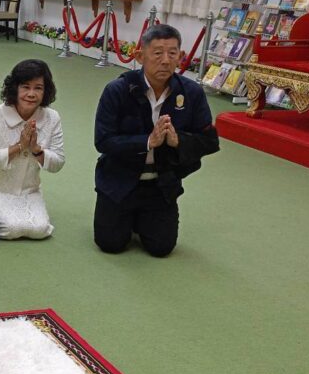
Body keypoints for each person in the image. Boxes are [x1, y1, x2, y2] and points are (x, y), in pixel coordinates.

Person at [93, 24, 219, 257]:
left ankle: (143, 219)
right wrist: (147, 141)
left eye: (172, 53)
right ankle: (128, 217)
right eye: (158, 53)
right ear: (140, 56)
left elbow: (210, 141)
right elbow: (103, 141)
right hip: (119, 182)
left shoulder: (191, 93)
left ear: (181, 57)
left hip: (161, 185)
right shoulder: (118, 90)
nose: (165, 61)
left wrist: (178, 141)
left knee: (161, 248)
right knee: (110, 244)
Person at [0, 59, 65, 240]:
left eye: (38, 88)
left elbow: (58, 162)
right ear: (15, 88)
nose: (31, 94)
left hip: (29, 191)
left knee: (40, 230)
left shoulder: (52, 118)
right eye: (25, 87)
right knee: (11, 228)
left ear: (46, 91)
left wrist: (36, 149)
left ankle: (8, 216)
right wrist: (19, 147)